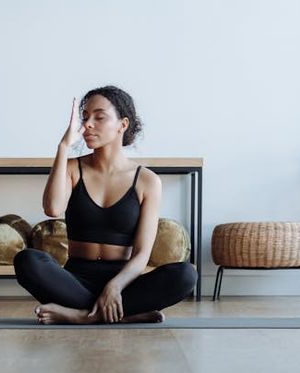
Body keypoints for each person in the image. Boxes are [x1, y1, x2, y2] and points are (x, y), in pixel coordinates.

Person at [13, 87, 197, 324]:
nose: (88, 124)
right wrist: (63, 147)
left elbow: (142, 254)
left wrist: (114, 287)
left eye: (99, 117)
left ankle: (82, 316)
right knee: (27, 260)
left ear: (123, 124)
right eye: (85, 117)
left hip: (124, 282)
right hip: (75, 280)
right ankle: (120, 315)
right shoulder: (72, 168)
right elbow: (53, 209)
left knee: (186, 275)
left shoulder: (147, 181)